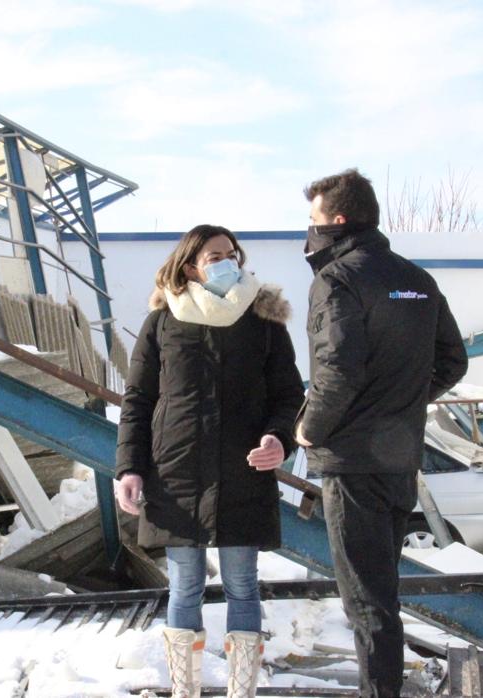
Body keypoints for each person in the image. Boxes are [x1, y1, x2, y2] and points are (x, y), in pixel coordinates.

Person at [294, 169, 468, 698]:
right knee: (381, 596)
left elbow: (337, 370)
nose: (309, 230)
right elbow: (452, 362)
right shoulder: (417, 278)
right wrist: (400, 404)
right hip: (398, 462)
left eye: (314, 220)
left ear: (338, 220)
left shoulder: (337, 279)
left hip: (352, 463)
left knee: (367, 604)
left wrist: (308, 428)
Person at [114, 224, 303, 698]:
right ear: (190, 265)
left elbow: (289, 394)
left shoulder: (264, 320)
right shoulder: (162, 323)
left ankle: (243, 691)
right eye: (213, 255)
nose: (226, 261)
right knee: (184, 585)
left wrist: (280, 439)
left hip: (244, 469)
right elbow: (138, 399)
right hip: (176, 471)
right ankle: (186, 692)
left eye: (230, 253)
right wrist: (129, 467)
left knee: (243, 583)